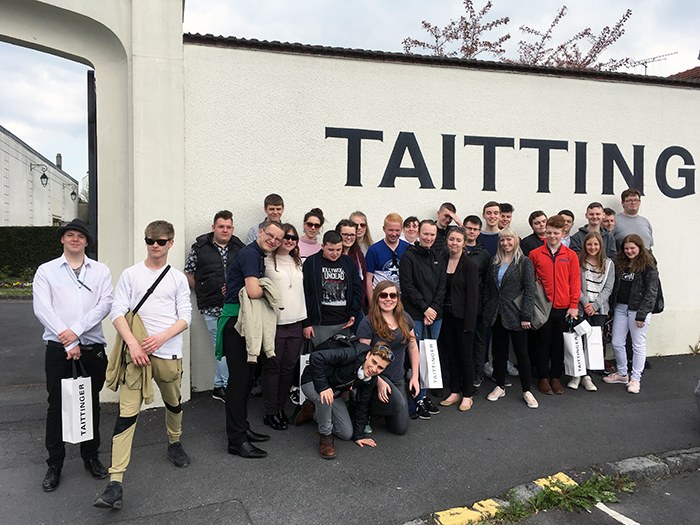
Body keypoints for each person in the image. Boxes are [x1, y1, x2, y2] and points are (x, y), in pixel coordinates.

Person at [95, 221, 192, 509]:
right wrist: (134, 345)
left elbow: (185, 317)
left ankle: (174, 442)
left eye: (160, 241)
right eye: (150, 240)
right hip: (135, 355)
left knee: (173, 403)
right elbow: (117, 311)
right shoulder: (130, 274)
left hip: (168, 352)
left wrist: (160, 338)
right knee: (126, 415)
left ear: (170, 243)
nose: (154, 245)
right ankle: (115, 482)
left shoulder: (176, 279)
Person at [33, 219, 113, 492]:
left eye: (80, 236)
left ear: (87, 242)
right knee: (57, 406)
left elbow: (105, 305)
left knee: (90, 404)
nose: (75, 239)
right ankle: (55, 463)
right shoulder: (46, 271)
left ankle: (91, 457)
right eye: (70, 235)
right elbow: (43, 309)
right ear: (62, 240)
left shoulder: (100, 271)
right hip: (58, 350)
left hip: (91, 349)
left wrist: (76, 333)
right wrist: (67, 341)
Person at [220, 219, 285, 459]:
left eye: (278, 239)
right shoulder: (250, 255)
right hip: (237, 324)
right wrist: (269, 288)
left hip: (246, 323)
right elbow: (253, 291)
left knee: (247, 380)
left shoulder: (257, 255)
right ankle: (236, 441)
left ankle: (243, 429)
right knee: (238, 383)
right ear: (260, 232)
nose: (274, 241)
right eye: (271, 235)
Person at [184, 210, 244, 402]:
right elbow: (188, 272)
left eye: (228, 227)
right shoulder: (200, 247)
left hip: (234, 306)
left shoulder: (239, 247)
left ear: (232, 228)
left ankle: (219, 386)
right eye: (221, 226)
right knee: (223, 347)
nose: (225, 230)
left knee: (228, 347)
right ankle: (228, 386)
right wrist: (202, 290)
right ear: (213, 228)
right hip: (211, 306)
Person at [300, 342, 393, 459]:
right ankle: (325, 436)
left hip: (334, 392)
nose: (374, 369)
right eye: (374, 362)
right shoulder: (351, 354)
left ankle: (312, 411)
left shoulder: (370, 379)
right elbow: (316, 357)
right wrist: (323, 387)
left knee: (346, 434)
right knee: (322, 399)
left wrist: (359, 436)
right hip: (313, 380)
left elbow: (362, 405)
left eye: (380, 368)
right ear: (368, 355)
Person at [482, 228, 539, 408]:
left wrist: (526, 315)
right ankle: (500, 385)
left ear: (515, 240)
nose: (505, 243)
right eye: (502, 240)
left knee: (522, 353)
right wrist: (487, 308)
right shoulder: (494, 261)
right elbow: (488, 289)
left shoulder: (524, 262)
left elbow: (529, 291)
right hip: (496, 314)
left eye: (509, 240)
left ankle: (526, 390)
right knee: (499, 353)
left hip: (517, 314)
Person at [357, 280, 420, 435]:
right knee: (397, 402)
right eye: (383, 295)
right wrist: (378, 381)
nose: (388, 299)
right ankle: (363, 409)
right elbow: (361, 355)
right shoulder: (368, 321)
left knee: (400, 429)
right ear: (377, 297)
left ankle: (382, 407)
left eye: (393, 295)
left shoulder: (404, 318)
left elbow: (412, 346)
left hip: (397, 377)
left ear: (398, 298)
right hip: (374, 377)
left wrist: (415, 377)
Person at [399, 219, 447, 419]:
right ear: (419, 234)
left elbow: (442, 286)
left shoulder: (438, 256)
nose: (428, 238)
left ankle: (424, 396)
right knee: (416, 358)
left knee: (429, 357)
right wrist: (425, 309)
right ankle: (415, 398)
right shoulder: (408, 256)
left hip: (435, 316)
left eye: (432, 235)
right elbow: (407, 286)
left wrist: (433, 309)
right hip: (416, 315)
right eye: (425, 234)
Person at [528, 215, 580, 396]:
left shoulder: (571, 255)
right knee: (542, 343)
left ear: (562, 233)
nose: (552, 236)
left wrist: (573, 305)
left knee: (558, 344)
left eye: (556, 233)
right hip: (543, 308)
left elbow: (575, 281)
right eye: (549, 232)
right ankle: (543, 377)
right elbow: (530, 281)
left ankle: (555, 377)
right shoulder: (535, 254)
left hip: (563, 307)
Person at [262, 224, 306, 430]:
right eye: (286, 237)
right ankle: (270, 412)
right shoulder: (266, 260)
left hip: (296, 323)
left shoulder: (298, 262)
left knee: (288, 368)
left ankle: (280, 408)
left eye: (293, 237)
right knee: (273, 368)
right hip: (275, 324)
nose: (289, 240)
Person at [603, 234, 659, 394]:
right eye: (626, 248)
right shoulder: (619, 263)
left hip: (638, 310)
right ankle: (622, 373)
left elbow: (651, 292)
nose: (629, 251)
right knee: (617, 342)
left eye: (632, 248)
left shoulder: (648, 265)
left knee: (637, 345)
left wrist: (642, 314)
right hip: (621, 308)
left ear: (639, 248)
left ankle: (635, 378)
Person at [439, 227, 480, 412]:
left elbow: (473, 297)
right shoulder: (443, 260)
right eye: (451, 239)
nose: (454, 243)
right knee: (451, 356)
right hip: (445, 317)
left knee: (465, 358)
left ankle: (468, 395)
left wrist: (469, 324)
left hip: (463, 319)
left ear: (464, 243)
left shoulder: (469, 265)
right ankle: (454, 391)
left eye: (458, 240)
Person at [302, 230, 362, 347]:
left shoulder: (348, 262)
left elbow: (357, 290)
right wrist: (306, 323)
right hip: (319, 324)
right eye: (331, 250)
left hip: (344, 323)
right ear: (322, 246)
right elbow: (304, 293)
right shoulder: (311, 262)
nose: (335, 253)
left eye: (338, 250)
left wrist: (353, 313)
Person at [571, 231, 614, 391]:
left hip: (600, 309)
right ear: (585, 245)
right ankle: (577, 374)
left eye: (596, 244)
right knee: (578, 341)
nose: (592, 247)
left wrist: (595, 305)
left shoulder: (609, 263)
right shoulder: (578, 261)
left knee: (592, 343)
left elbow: (609, 287)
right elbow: (574, 284)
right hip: (581, 309)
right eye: (589, 244)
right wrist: (585, 302)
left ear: (600, 245)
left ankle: (587, 376)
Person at [365, 213, 409, 302]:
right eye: (390, 230)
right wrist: (371, 304)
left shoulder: (407, 248)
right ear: (384, 229)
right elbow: (368, 279)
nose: (394, 233)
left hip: (401, 298)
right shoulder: (374, 250)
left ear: (402, 230)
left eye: (397, 230)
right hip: (381, 297)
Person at [336, 219, 367, 316]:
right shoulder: (331, 255)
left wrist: (359, 305)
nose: (349, 238)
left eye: (352, 235)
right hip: (337, 309)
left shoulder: (358, 255)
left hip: (356, 307)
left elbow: (363, 282)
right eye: (345, 234)